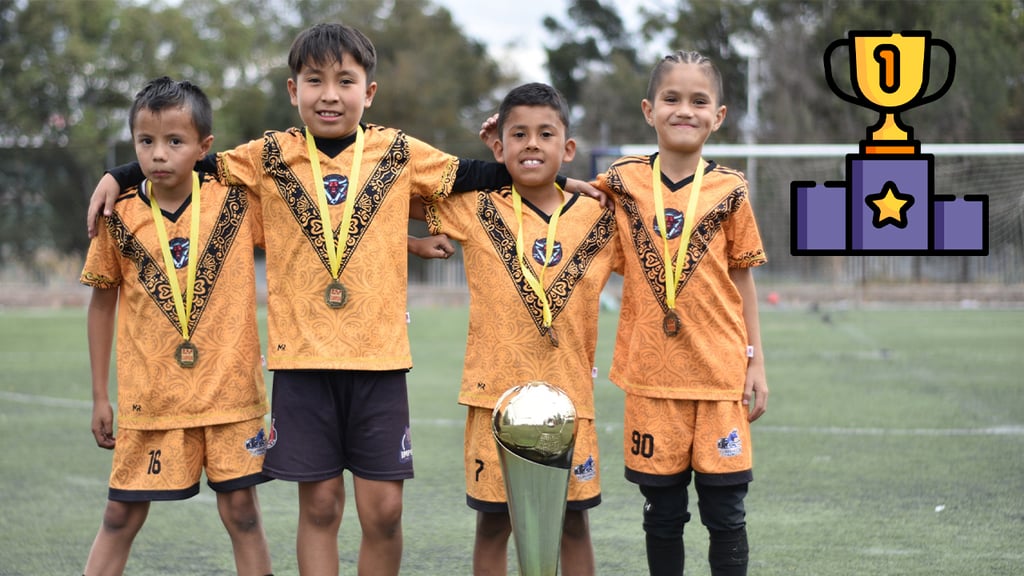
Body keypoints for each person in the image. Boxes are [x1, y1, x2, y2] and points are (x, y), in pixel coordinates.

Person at [85, 23, 598, 576]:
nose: (329, 94)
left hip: (378, 361)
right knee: (322, 506)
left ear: (368, 92)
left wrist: (564, 183)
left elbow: (484, 174)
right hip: (301, 364)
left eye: (345, 81)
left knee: (383, 512)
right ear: (293, 90)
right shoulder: (268, 156)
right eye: (314, 81)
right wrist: (119, 175)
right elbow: (184, 155)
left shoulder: (399, 152)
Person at [415, 82, 618, 576]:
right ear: (500, 145)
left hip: (570, 400)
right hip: (494, 397)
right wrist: (488, 163)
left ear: (567, 149)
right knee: (493, 525)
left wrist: (568, 185)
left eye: (545, 134)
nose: (532, 143)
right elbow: (398, 192)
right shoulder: (475, 206)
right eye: (518, 134)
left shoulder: (601, 217)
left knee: (572, 524)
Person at [80, 77, 273, 576]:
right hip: (153, 398)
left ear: (204, 147)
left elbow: (304, 228)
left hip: (230, 396)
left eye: (175, 141)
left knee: (243, 514)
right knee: (120, 513)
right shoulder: (117, 213)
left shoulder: (236, 199)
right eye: (146, 142)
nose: (158, 154)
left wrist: (411, 243)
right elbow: (102, 305)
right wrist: (101, 395)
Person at [594, 51, 769, 576]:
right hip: (650, 378)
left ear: (718, 116)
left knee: (726, 514)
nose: (684, 110)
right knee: (662, 517)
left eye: (699, 101)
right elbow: (567, 209)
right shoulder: (620, 182)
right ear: (649, 109)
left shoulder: (731, 188)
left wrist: (755, 361)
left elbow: (743, 276)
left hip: (719, 375)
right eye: (671, 98)